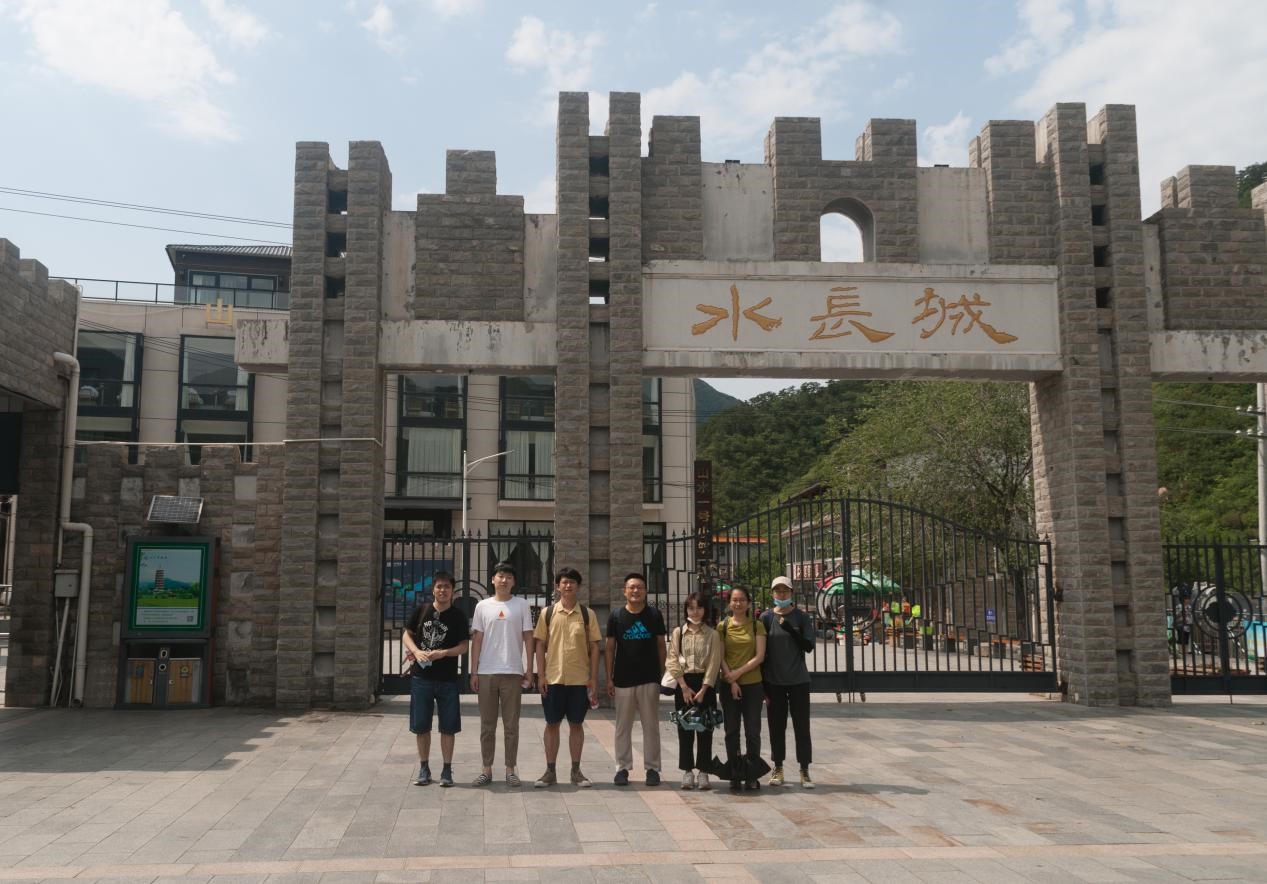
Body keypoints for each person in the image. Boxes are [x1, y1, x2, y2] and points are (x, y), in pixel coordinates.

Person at [533, 566, 602, 788]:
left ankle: (576, 771)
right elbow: (539, 644)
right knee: (552, 724)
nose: (568, 585)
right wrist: (540, 676)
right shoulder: (548, 613)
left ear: (578, 587)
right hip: (553, 679)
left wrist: (593, 678)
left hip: (579, 680)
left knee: (576, 725)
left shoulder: (587, 614)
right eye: (564, 582)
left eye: (572, 582)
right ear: (557, 586)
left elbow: (594, 647)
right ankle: (550, 771)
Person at [468, 561, 535, 787]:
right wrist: (474, 671)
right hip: (486, 673)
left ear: (513, 581)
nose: (504, 580)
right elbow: (477, 640)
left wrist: (529, 669)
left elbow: (528, 638)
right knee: (487, 726)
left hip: (512, 673)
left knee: (511, 726)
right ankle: (486, 770)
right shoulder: (482, 606)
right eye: (500, 576)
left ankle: (510, 770)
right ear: (492, 580)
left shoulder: (521, 605)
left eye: (508, 577)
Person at [403, 571, 471, 787]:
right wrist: (416, 651)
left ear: (452, 591)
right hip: (421, 678)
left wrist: (444, 653)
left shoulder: (458, 616)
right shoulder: (422, 610)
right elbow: (406, 634)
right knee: (421, 725)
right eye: (439, 586)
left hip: (447, 679)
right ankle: (424, 768)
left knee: (448, 726)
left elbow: (464, 646)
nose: (443, 590)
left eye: (447, 587)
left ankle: (447, 770)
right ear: (433, 589)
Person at [605, 572, 667, 787]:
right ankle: (622, 768)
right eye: (631, 587)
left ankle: (653, 768)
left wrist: (662, 674)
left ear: (645, 591)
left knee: (651, 726)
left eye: (639, 587)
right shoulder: (616, 616)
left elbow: (661, 646)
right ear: (624, 591)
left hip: (649, 678)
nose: (635, 590)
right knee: (622, 726)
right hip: (623, 679)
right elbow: (610, 648)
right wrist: (609, 678)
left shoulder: (654, 614)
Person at [760, 576, 816, 789]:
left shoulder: (801, 617)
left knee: (802, 726)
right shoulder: (766, 618)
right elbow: (762, 651)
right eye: (778, 591)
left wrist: (792, 630)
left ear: (792, 593)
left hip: (798, 680)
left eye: (785, 591)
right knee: (776, 726)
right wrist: (763, 684)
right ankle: (778, 767)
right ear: (772, 594)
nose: (781, 594)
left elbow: (808, 646)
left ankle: (804, 769)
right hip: (774, 681)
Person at [665, 591, 722, 790]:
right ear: (686, 610)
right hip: (684, 684)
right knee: (685, 729)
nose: (695, 612)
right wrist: (683, 686)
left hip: (706, 685)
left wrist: (705, 689)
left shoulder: (713, 634)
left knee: (705, 729)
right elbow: (672, 659)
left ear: (705, 609)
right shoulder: (678, 633)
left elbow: (714, 662)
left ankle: (704, 771)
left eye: (699, 607)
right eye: (691, 608)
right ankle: (687, 771)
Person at [718, 585, 767, 792]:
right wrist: (732, 680)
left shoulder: (757, 626)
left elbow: (760, 656)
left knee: (752, 731)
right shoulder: (722, 626)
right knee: (731, 731)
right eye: (734, 600)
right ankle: (735, 773)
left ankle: (752, 774)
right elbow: (720, 656)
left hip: (753, 685)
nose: (738, 603)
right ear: (729, 603)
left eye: (742, 600)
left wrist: (737, 674)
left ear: (748, 603)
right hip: (728, 685)